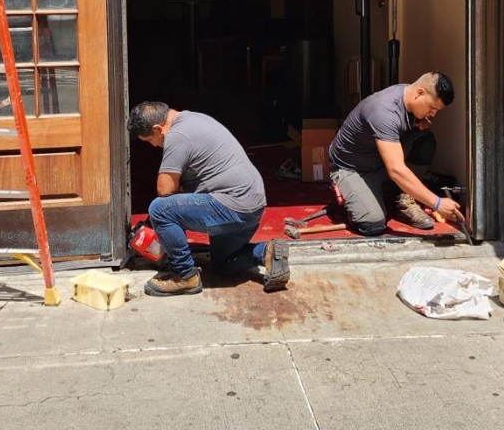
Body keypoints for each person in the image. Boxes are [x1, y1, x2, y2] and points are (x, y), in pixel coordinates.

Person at [129, 101, 289, 297]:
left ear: (157, 128)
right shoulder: (193, 117)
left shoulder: (177, 135)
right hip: (252, 206)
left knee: (160, 209)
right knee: (223, 264)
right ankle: (267, 252)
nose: (153, 145)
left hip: (233, 204)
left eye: (149, 140)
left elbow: (164, 190)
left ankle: (185, 276)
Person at [326, 72, 463, 235]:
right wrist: (437, 203)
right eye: (432, 108)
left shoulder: (408, 97)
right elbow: (396, 170)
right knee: (373, 223)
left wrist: (415, 123)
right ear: (420, 93)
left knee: (424, 140)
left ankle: (403, 197)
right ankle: (345, 186)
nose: (433, 114)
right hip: (352, 168)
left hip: (377, 160)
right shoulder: (384, 111)